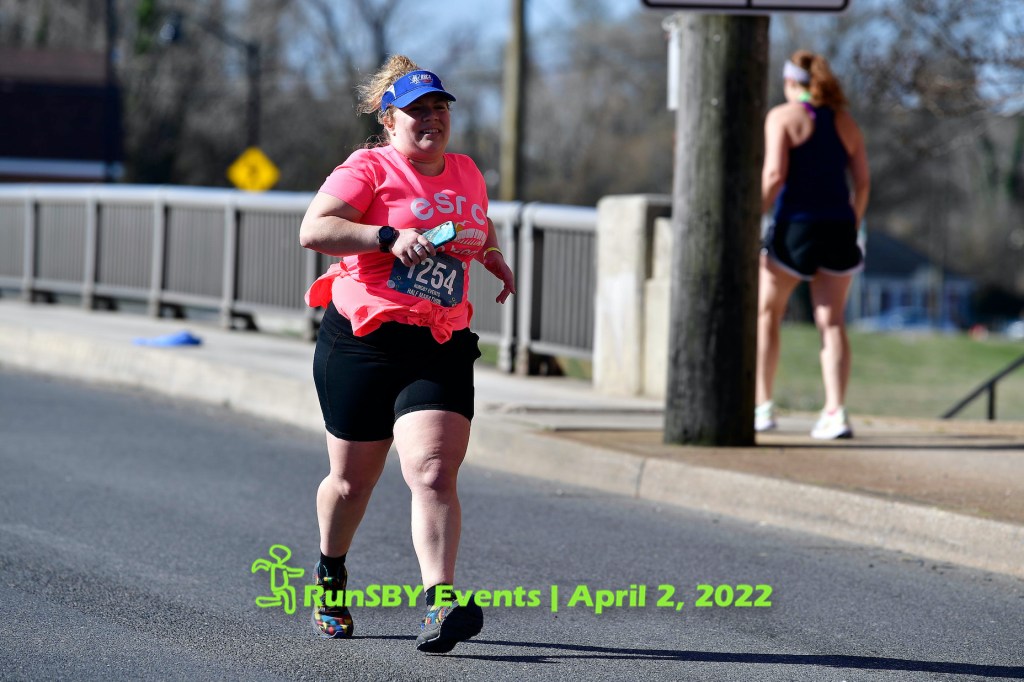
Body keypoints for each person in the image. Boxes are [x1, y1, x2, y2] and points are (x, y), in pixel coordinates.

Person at [298, 54, 516, 653]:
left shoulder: (468, 171)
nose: (431, 120)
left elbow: (473, 223)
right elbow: (314, 230)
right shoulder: (367, 168)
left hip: (438, 341)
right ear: (389, 120)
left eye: (440, 109)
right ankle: (330, 573)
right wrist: (386, 237)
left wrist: (490, 253)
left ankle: (441, 603)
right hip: (365, 339)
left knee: (433, 471)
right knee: (351, 483)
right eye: (417, 111)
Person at [756, 50, 870, 440]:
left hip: (795, 228)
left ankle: (762, 407)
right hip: (839, 227)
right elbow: (863, 182)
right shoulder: (845, 122)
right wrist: (851, 221)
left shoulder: (782, 117)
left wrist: (751, 214)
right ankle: (835, 411)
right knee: (832, 322)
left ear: (791, 83)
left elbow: (773, 174)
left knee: (767, 315)